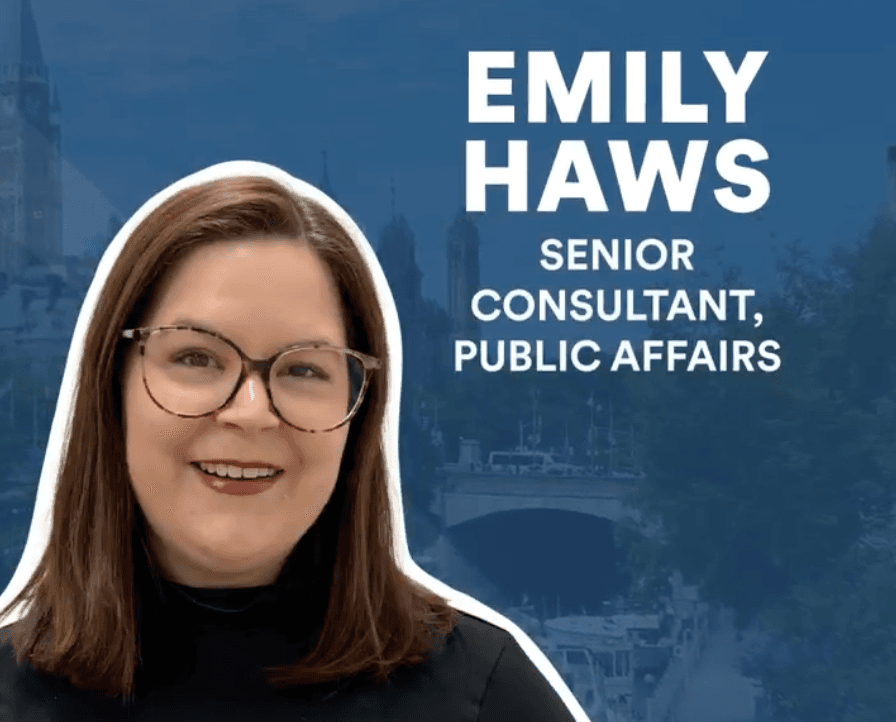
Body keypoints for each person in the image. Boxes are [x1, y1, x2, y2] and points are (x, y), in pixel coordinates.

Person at [0, 162, 596, 721]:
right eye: (196, 357)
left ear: (356, 414)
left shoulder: (485, 696)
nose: (253, 411)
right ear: (110, 390)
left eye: (305, 369)